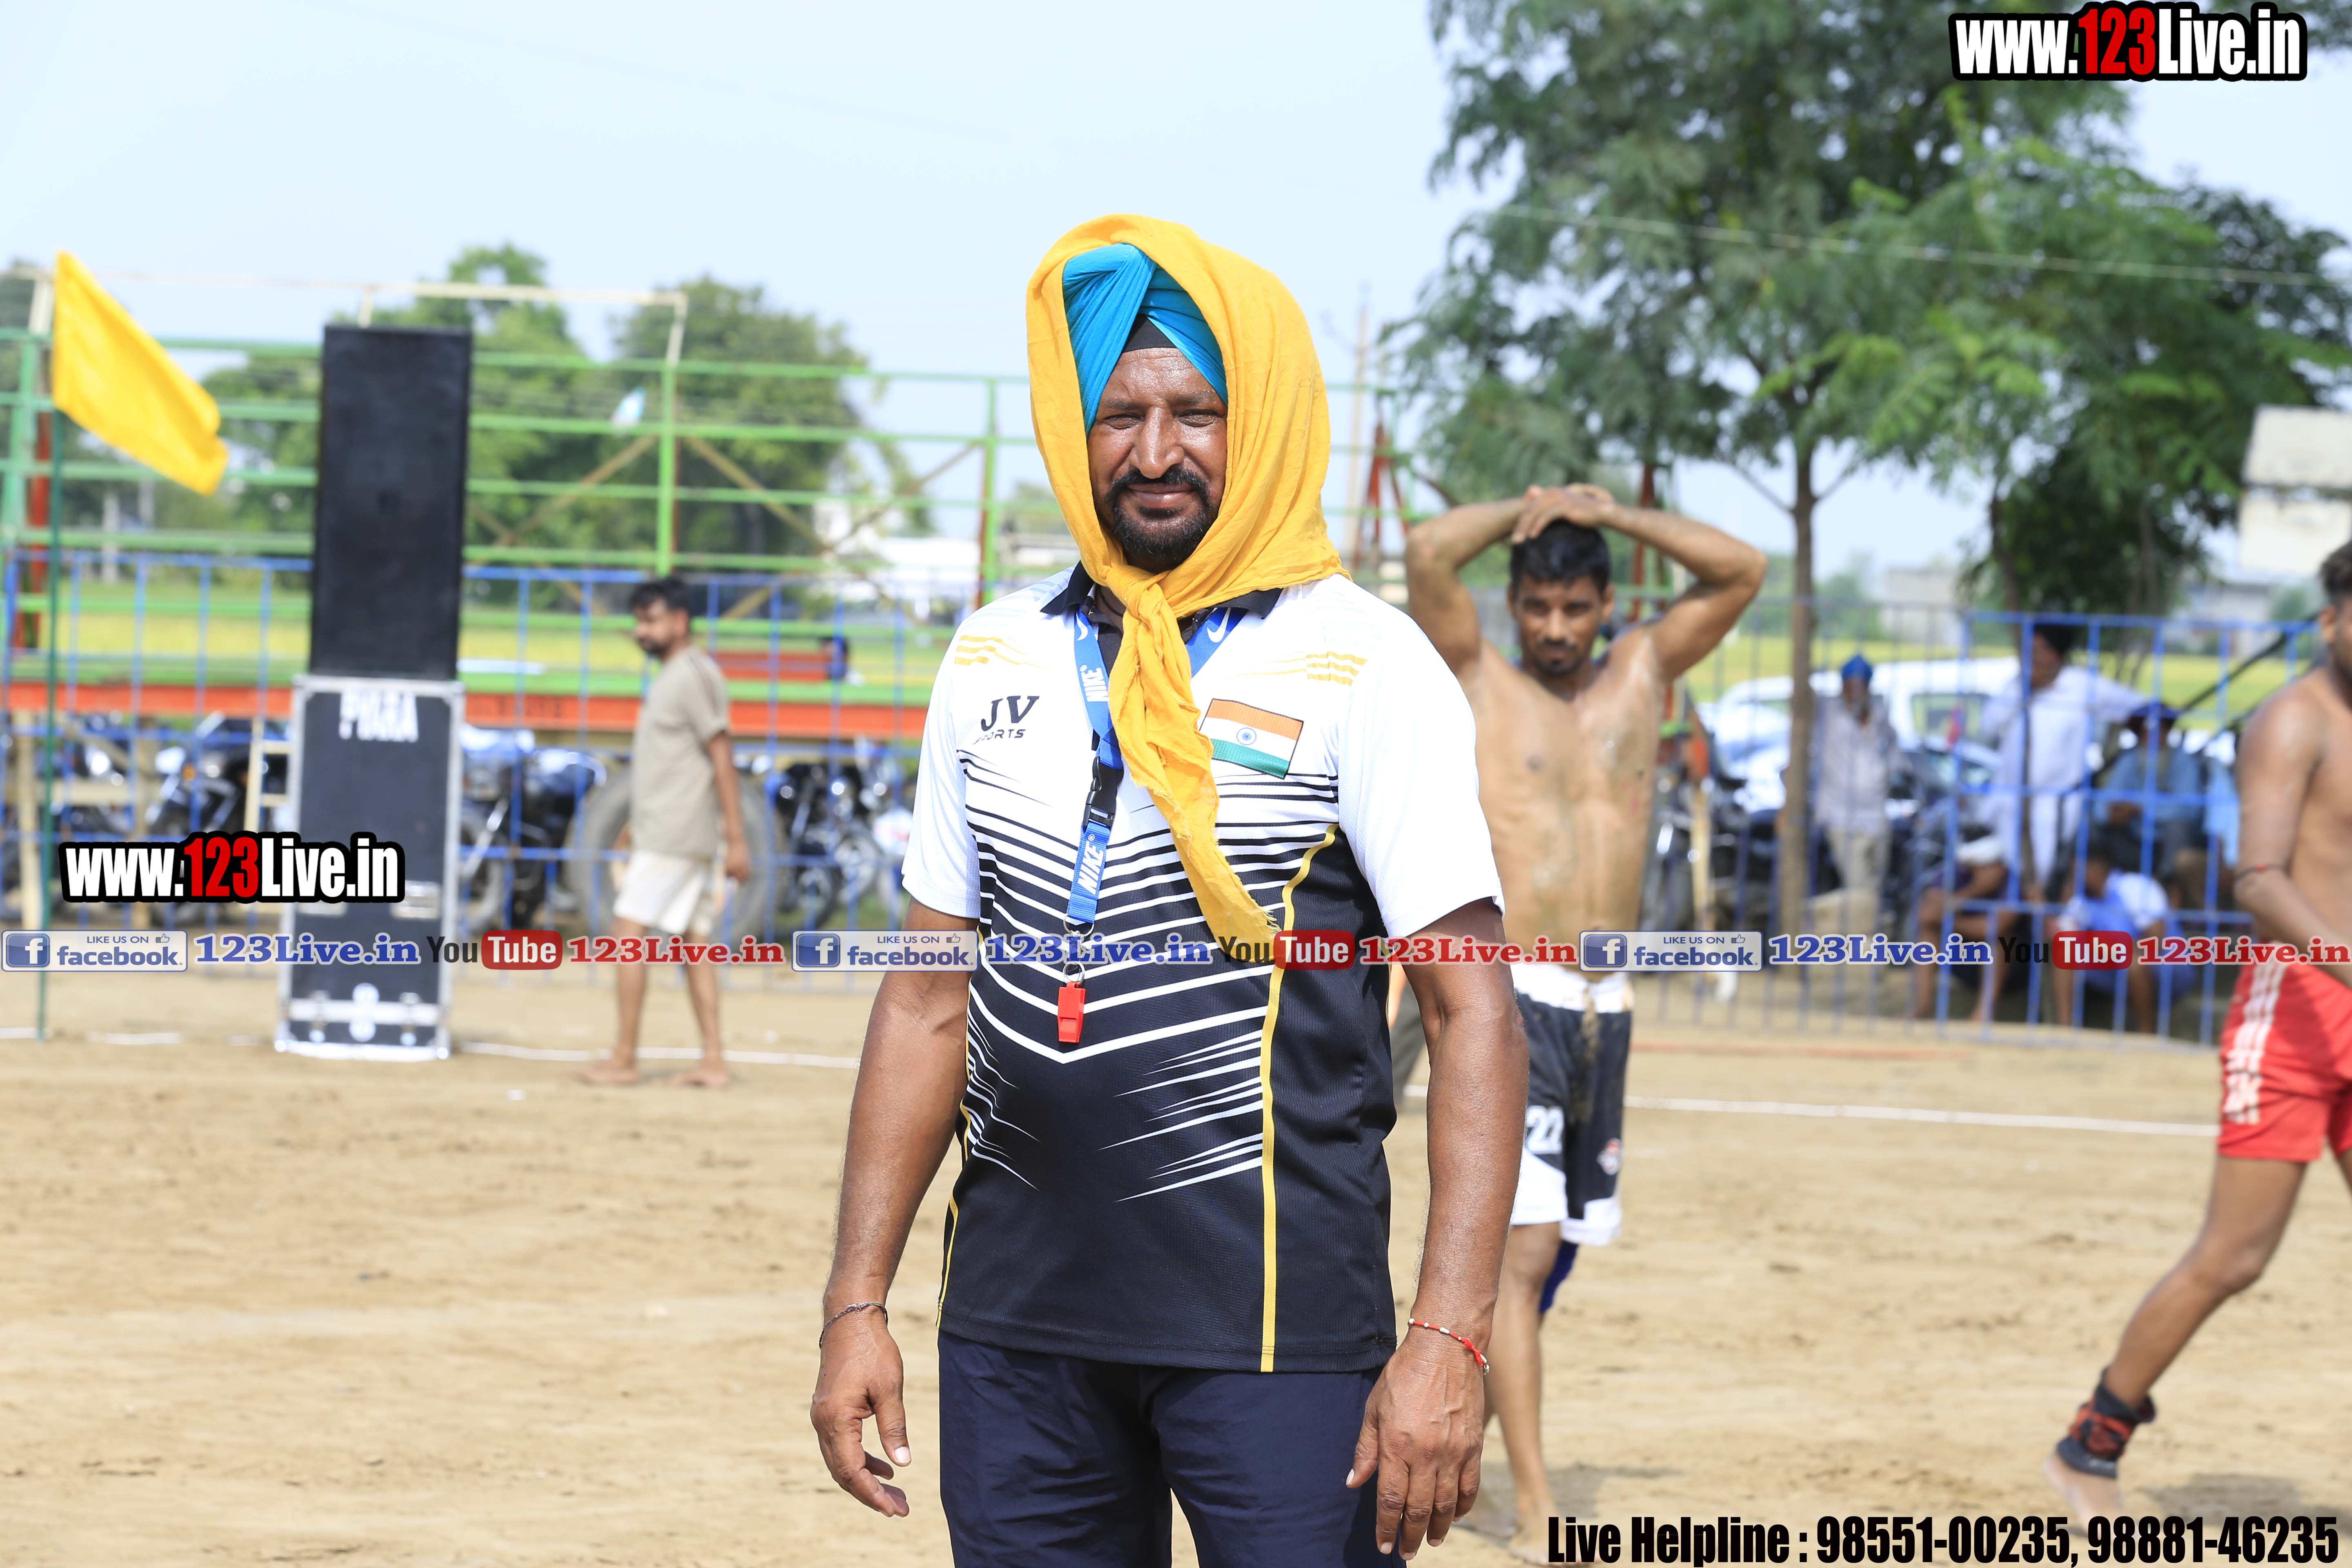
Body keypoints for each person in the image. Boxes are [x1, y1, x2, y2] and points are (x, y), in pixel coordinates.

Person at [808, 217, 1525, 1568]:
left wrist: (1448, 1336)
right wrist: (857, 1303)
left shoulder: (1362, 663)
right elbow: (923, 1003)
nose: (1153, 452)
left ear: (1261, 423)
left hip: (1276, 1338)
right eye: (1118, 414)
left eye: (1196, 412)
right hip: (1017, 1333)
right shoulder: (994, 654)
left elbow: (1474, 1012)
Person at [1401, 480, 1765, 1560]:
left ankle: (1460, 1415)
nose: (1555, 628)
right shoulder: (1479, 675)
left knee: (1551, 1252)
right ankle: (1536, 1506)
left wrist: (1613, 517)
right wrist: (1528, 503)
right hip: (1515, 995)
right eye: (1537, 606)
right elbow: (1428, 551)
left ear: (1608, 604)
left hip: (1608, 1004)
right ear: (1513, 602)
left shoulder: (1643, 671)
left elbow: (1741, 569)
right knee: (1522, 1256)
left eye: (1574, 607)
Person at [2044, 541, 2352, 1521]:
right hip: (2294, 1011)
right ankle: (2090, 1441)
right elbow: (2257, 877)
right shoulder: (2294, 719)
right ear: (2330, 621)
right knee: (2233, 1256)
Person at [578, 577, 752, 1089]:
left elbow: (722, 754)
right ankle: (713, 1061)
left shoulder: (694, 674)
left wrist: (738, 839)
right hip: (667, 830)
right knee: (695, 944)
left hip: (676, 834)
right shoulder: (674, 677)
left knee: (626, 933)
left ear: (679, 621)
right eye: (638, 621)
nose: (641, 631)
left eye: (651, 620)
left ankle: (624, 1058)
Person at [1980, 621, 2147, 897]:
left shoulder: (2080, 686)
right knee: (2006, 871)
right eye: (2030, 649)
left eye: (2042, 649)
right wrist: (2022, 691)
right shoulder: (2015, 686)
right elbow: (1988, 726)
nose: (2035, 656)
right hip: (2010, 800)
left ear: (2057, 654)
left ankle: (2034, 917)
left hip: (2054, 806)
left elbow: (2137, 706)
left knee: (2039, 875)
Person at [2049, 824, 2186, 1035]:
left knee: (2134, 961)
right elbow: (2060, 935)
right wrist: (2061, 902)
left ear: (2096, 869)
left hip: (2166, 969)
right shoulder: (2081, 899)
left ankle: (2146, 1033)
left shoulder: (2135, 887)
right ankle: (2064, 1030)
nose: (2073, 878)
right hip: (2116, 969)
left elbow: (2155, 941)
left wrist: (2111, 949)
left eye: (2076, 872)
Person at [1813, 651, 1900, 931]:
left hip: (1877, 817)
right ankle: (1863, 940)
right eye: (1851, 686)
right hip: (1842, 818)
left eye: (1861, 686)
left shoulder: (1879, 719)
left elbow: (1896, 758)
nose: (1856, 692)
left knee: (1875, 886)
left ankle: (1870, 936)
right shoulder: (1828, 715)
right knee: (1859, 888)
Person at [1904, 831, 2021, 1023]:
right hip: (1961, 958)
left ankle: (1983, 1014)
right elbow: (1925, 915)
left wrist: (1948, 916)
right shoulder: (1955, 874)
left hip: (2014, 968)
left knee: (2001, 939)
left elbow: (1994, 928)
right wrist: (1975, 890)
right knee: (1929, 932)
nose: (1996, 870)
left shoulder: (2012, 881)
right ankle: (1923, 1007)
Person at [2100, 703, 2211, 904]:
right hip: (2134, 837)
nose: (2153, 737)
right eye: (2147, 732)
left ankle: (2169, 890)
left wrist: (2141, 810)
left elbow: (2190, 809)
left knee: (2177, 829)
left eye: (2160, 730)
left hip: (2169, 842)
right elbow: (2102, 805)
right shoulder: (2129, 760)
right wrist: (2114, 813)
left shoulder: (2183, 762)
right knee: (2096, 832)